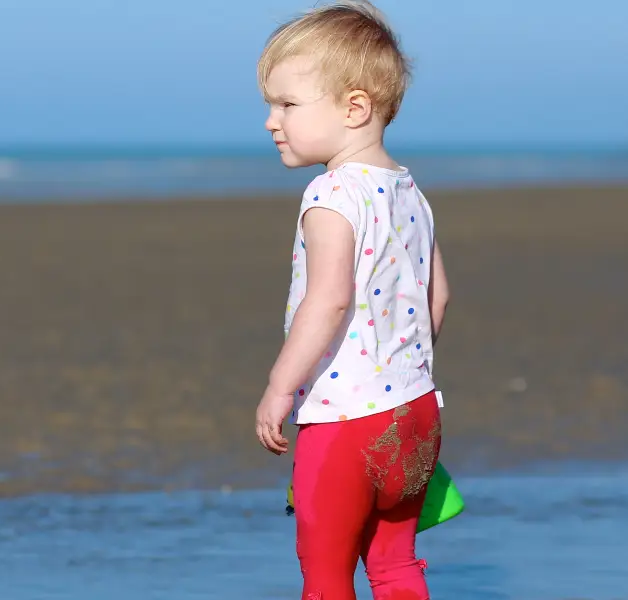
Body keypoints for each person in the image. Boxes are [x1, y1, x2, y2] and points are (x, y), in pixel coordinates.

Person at [252, 2, 451, 599]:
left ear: (355, 107)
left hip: (344, 424)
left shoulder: (331, 194)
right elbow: (436, 296)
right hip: (414, 415)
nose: (270, 120)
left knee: (327, 576)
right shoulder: (409, 190)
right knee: (394, 565)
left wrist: (281, 384)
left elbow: (329, 300)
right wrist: (400, 367)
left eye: (287, 104)